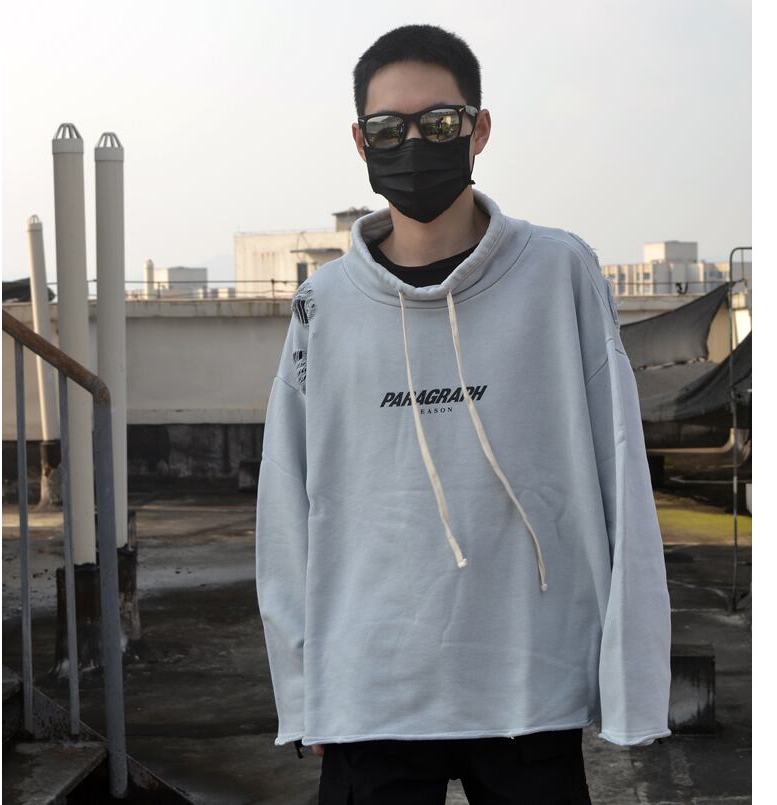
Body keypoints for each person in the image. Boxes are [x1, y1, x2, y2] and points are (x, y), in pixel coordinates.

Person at [255, 23, 672, 805]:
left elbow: (620, 472)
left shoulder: (558, 273)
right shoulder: (324, 305)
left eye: (439, 123)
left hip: (529, 681)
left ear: (477, 130)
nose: (414, 144)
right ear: (360, 141)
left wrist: (632, 682)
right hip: (370, 688)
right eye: (389, 128)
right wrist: (304, 688)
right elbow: (284, 499)